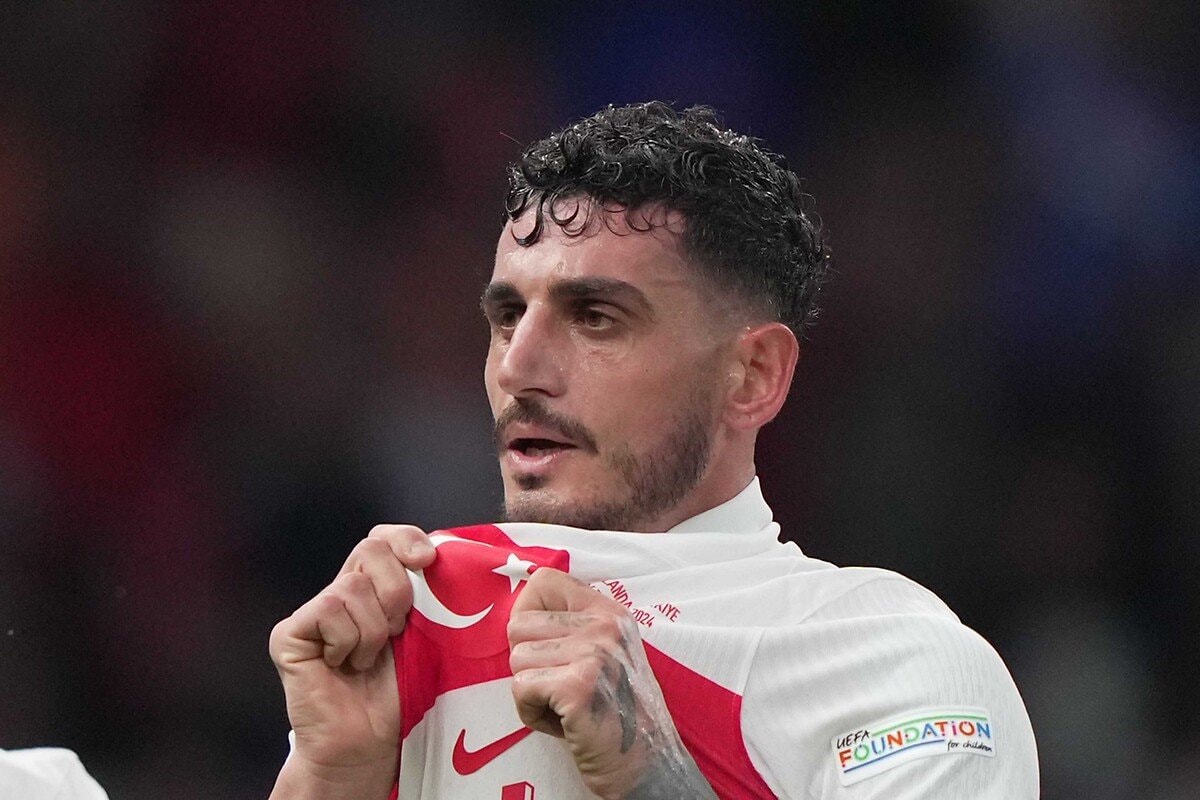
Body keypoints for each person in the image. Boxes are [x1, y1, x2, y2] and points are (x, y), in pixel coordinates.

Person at [268, 102, 1038, 799]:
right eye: (507, 319)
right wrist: (332, 780)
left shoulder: (892, 666)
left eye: (595, 318)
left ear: (752, 375)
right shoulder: (407, 633)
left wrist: (653, 777)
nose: (517, 368)